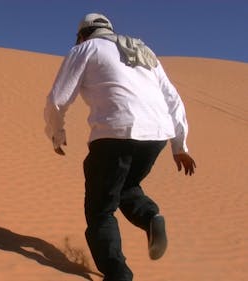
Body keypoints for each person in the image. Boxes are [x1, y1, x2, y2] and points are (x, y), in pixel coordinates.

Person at [43, 13, 197, 281]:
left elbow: (58, 99)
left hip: (115, 132)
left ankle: (118, 274)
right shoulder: (144, 51)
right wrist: (179, 145)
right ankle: (150, 217)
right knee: (125, 186)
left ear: (82, 34)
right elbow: (173, 99)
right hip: (156, 134)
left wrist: (57, 134)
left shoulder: (86, 48)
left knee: (101, 210)